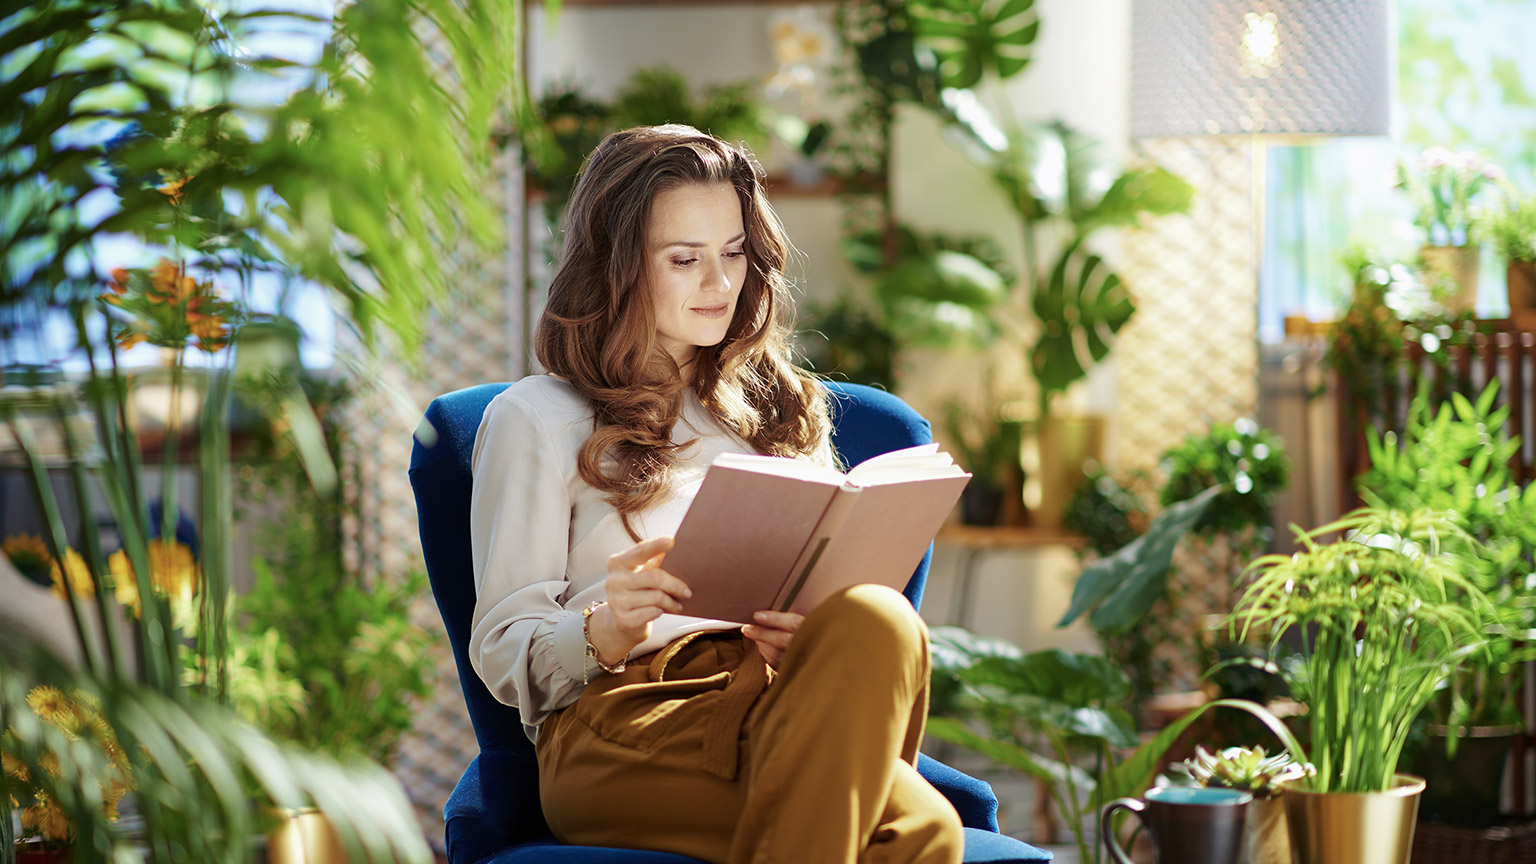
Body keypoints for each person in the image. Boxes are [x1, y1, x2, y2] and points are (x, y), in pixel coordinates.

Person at [468, 124, 963, 864]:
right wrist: (605, 628)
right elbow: (502, 649)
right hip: (624, 719)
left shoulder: (778, 407)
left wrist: (805, 637)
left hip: (773, 699)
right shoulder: (536, 417)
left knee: (879, 621)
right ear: (617, 267)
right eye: (684, 259)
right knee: (915, 833)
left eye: (733, 253)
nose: (720, 283)